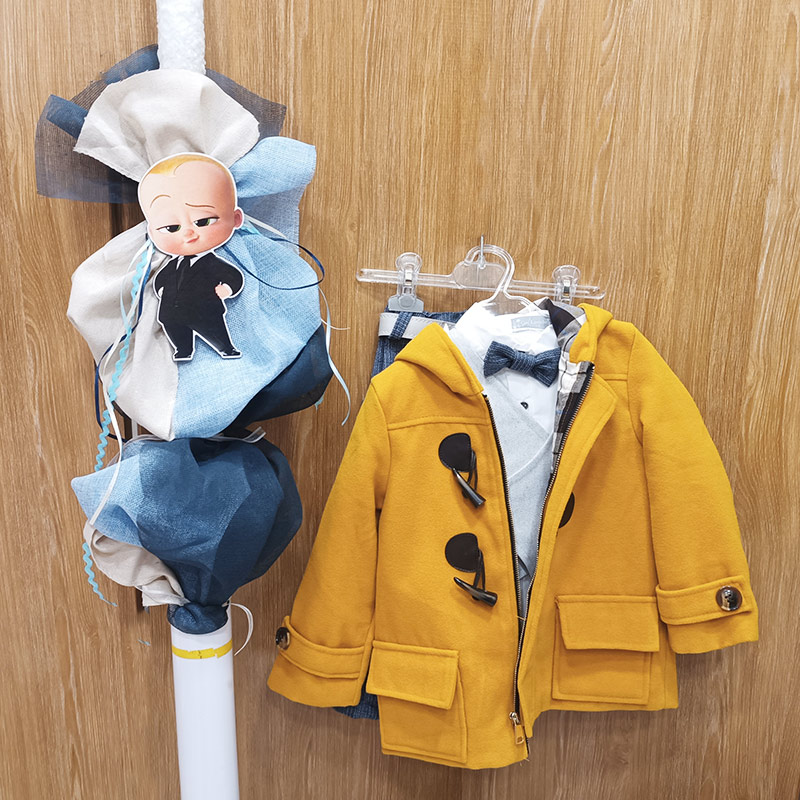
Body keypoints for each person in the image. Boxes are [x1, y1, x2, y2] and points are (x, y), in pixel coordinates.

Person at [138, 153, 245, 360]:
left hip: (205, 311)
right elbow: (162, 279)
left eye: (203, 222)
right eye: (171, 227)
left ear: (236, 218)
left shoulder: (212, 263)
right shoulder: (172, 264)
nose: (188, 233)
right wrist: (160, 289)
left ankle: (226, 348)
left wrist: (227, 288)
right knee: (176, 333)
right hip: (172, 312)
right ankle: (183, 350)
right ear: (151, 232)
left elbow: (233, 275)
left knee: (215, 330)